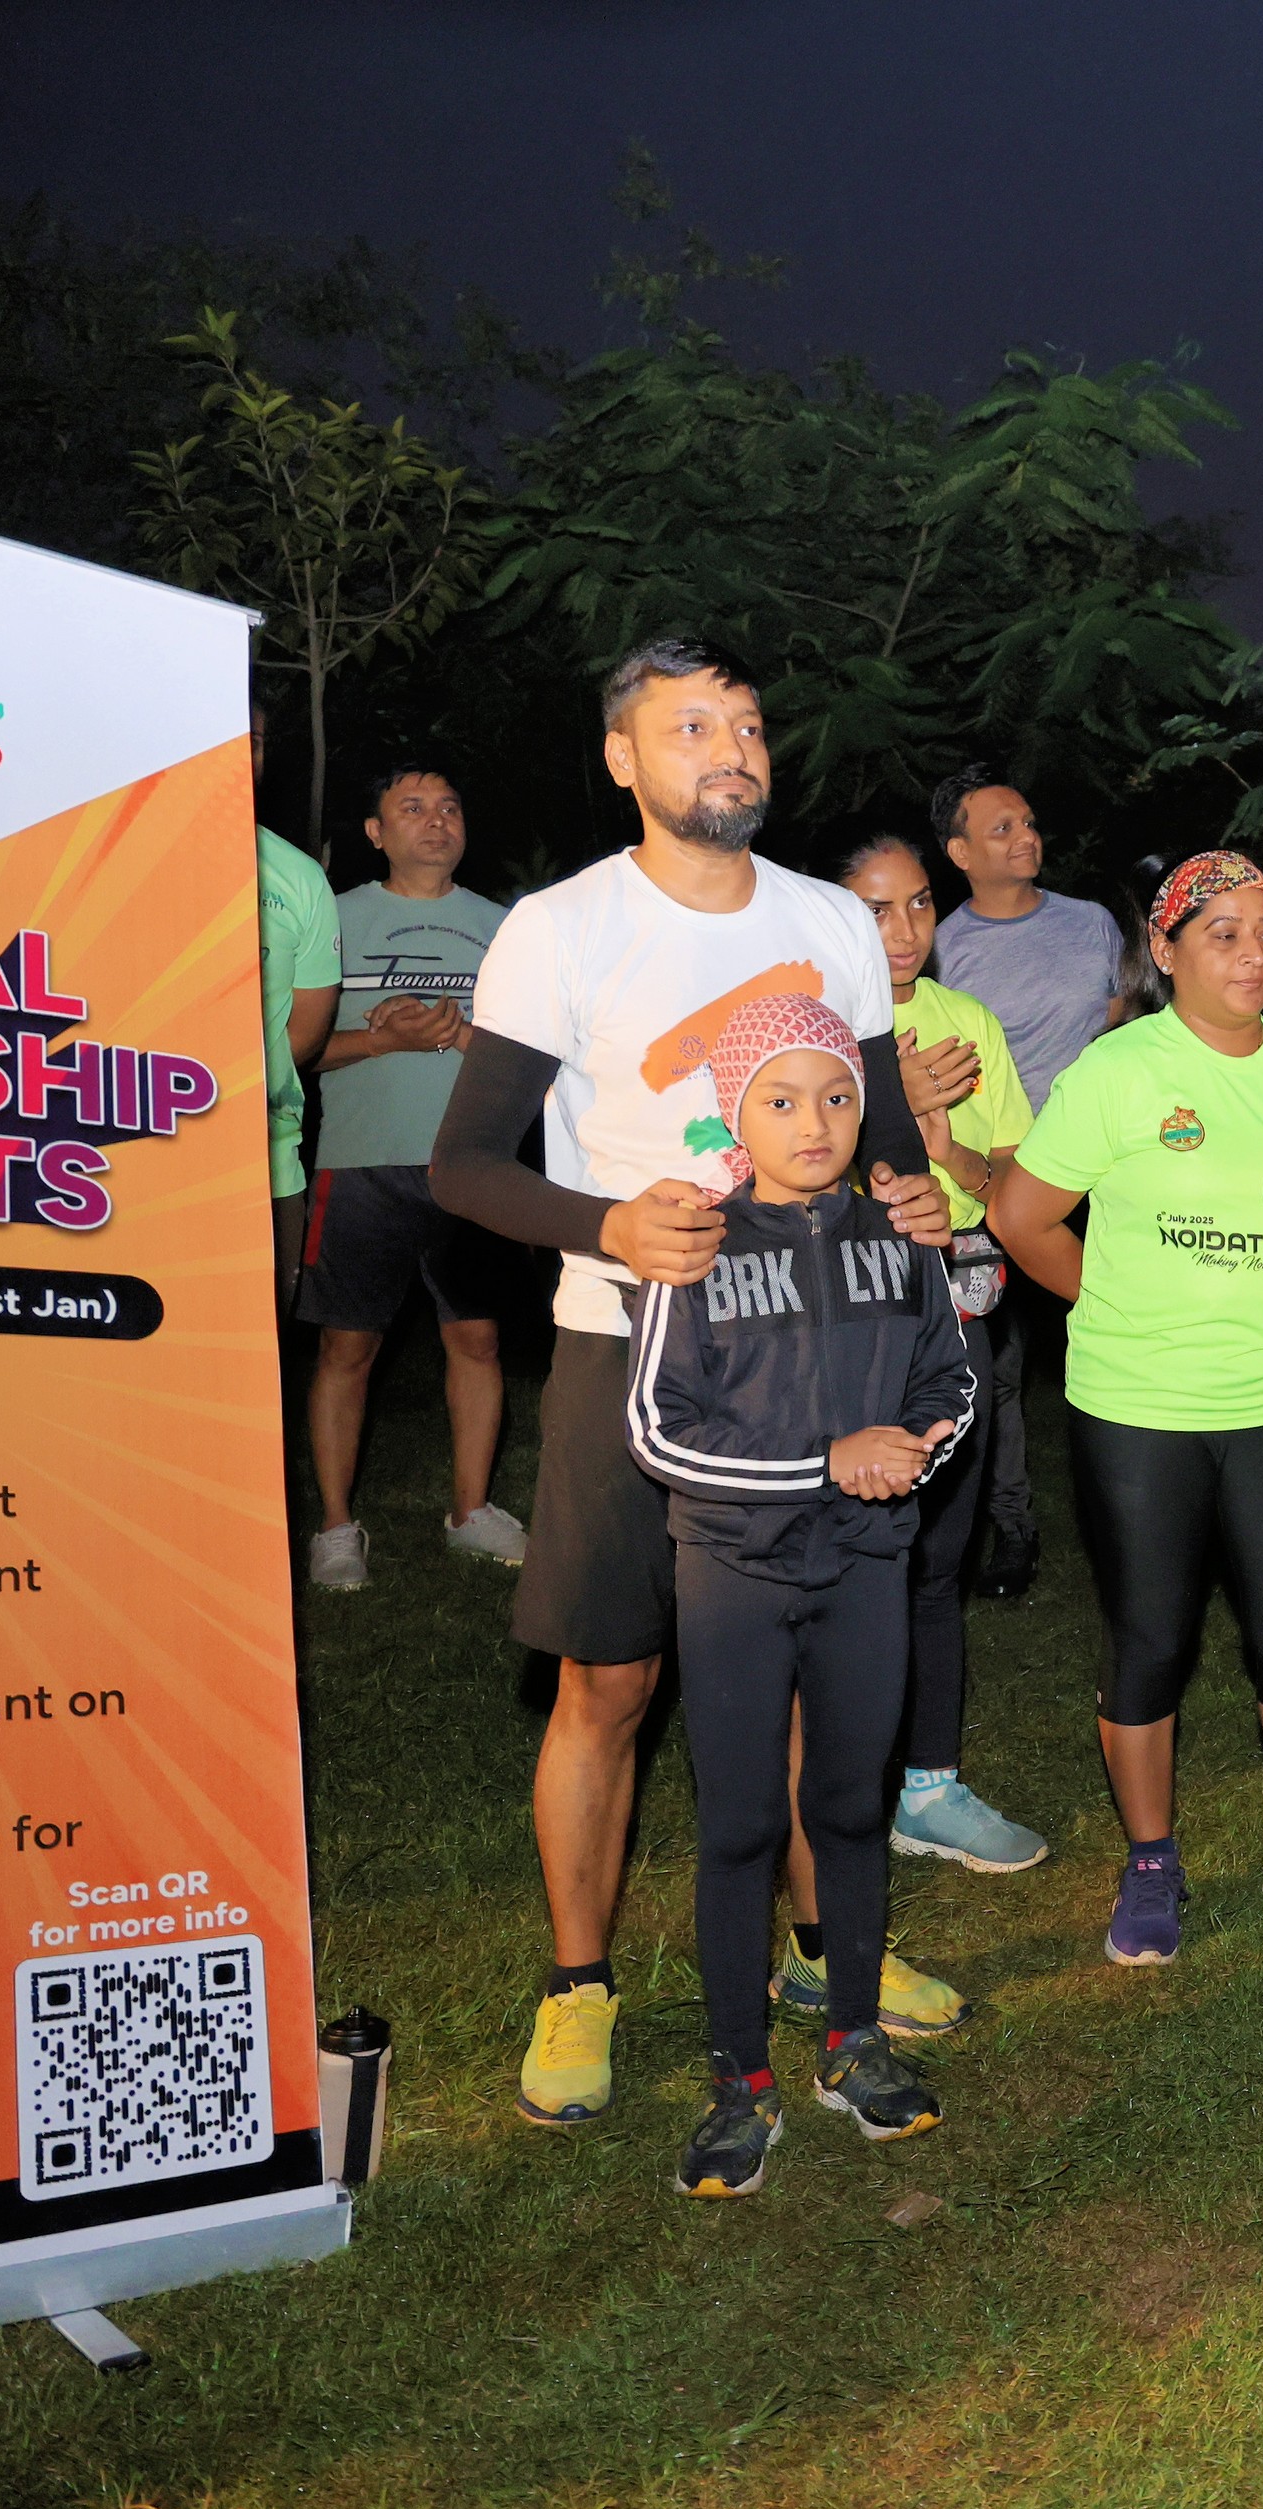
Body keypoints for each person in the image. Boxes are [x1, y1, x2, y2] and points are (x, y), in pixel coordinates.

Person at [431, 636, 956, 2128]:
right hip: (629, 1344)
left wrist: (910, 1194)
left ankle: (824, 1956)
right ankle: (579, 1983)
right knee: (610, 1679)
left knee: (803, 1662)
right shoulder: (560, 927)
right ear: (623, 758)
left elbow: (877, 1128)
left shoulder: (829, 920)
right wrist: (608, 1224)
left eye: (746, 724)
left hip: (822, 1348)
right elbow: (462, 1166)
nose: (730, 748)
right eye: (690, 726)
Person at [992, 853, 1263, 1966]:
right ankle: (1151, 1858)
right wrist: (1113, 1300)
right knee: (1151, 1638)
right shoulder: (1118, 1070)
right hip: (1138, 1404)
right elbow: (1021, 1216)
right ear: (1165, 952)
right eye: (1224, 934)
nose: (1254, 955)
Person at [629, 993, 975, 2197]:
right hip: (733, 1571)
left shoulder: (903, 1233)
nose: (813, 1122)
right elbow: (657, 1429)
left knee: (848, 1808)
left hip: (866, 1566)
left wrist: (908, 1452)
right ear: (738, 1114)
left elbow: (949, 1381)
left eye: (835, 1096)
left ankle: (852, 2039)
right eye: (780, 1100)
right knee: (739, 1822)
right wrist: (825, 1462)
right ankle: (740, 2078)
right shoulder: (698, 1243)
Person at [836, 834, 1050, 1875]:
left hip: (950, 1305)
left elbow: (1010, 1187)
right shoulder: (805, 1020)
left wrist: (936, 1131)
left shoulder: (970, 1023)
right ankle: (839, 1788)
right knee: (842, 1549)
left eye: (919, 904)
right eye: (876, 909)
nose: (904, 930)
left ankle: (928, 1785)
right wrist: (883, 1086)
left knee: (938, 1553)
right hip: (837, 1314)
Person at [300, 758, 526, 1588]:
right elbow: (295, 1051)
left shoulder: (506, 928)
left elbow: (533, 1056)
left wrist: (458, 1034)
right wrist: (383, 1040)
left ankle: (471, 1511)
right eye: (414, 807)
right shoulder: (332, 918)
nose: (436, 821)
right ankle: (335, 1528)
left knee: (478, 1338)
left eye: (450, 807)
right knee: (346, 1345)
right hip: (359, 1164)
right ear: (376, 831)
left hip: (473, 1165)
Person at [930, 764, 1124, 1115]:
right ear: (961, 853)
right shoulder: (939, 954)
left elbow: (1124, 1019)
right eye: (1004, 829)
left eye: (1029, 824)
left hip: (1107, 1127)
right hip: (1012, 1143)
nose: (1027, 838)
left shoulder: (1092, 922)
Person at [252, 714, 339, 1315]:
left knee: (258, 1350)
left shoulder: (298, 877)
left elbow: (304, 1034)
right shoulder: (117, 851)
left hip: (269, 1166)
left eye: (253, 741)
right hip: (117, 1156)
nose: (239, 752)